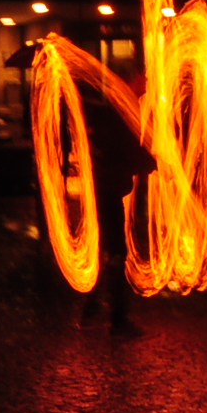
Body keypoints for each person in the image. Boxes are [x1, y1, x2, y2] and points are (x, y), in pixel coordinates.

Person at [79, 80, 154, 334]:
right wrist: (153, 163)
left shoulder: (106, 112)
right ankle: (118, 320)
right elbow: (128, 151)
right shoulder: (120, 115)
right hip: (109, 189)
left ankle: (92, 308)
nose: (146, 86)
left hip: (101, 188)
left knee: (103, 249)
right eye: (142, 81)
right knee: (117, 252)